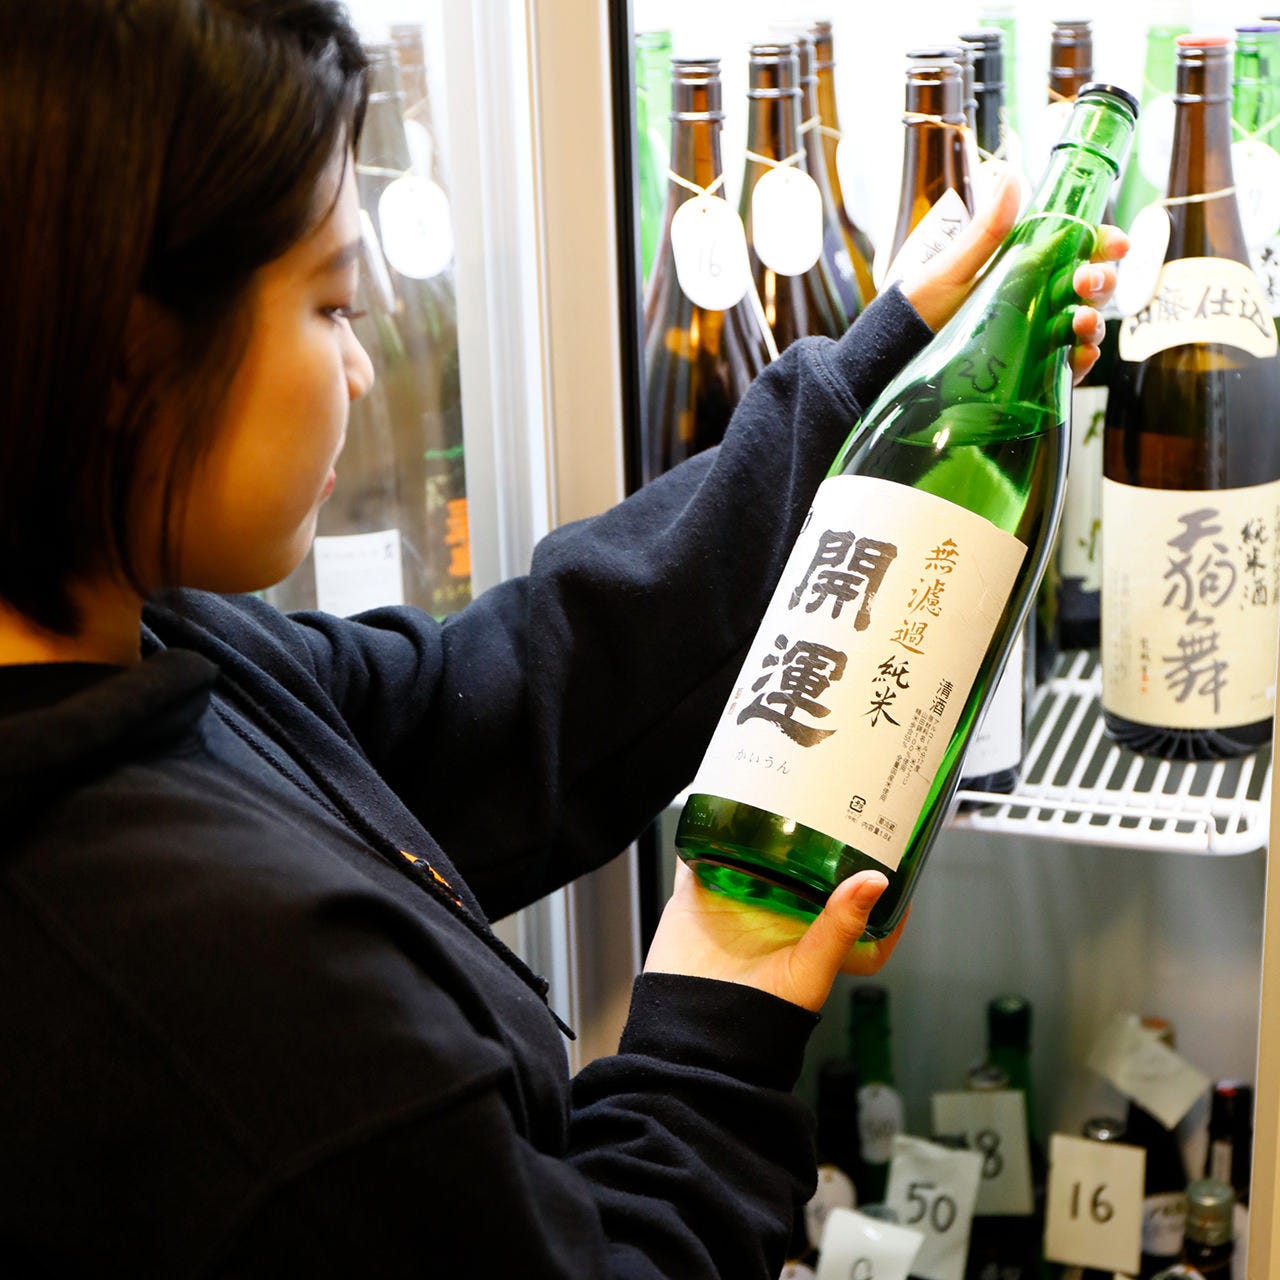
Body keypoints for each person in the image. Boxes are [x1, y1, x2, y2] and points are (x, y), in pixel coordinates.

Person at [0, 3, 1124, 1275]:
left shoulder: (148, 646)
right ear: (124, 346)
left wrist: (888, 358)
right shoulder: (197, 977)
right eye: (331, 303)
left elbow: (497, 698)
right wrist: (716, 1010)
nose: (361, 369)